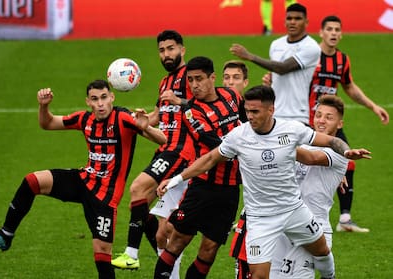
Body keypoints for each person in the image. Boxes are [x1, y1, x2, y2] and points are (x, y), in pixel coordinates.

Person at [159, 85, 371, 279]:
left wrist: (344, 153)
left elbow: (318, 152)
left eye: (255, 112)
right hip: (262, 219)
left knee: (321, 251)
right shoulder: (242, 136)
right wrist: (177, 178)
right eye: (247, 111)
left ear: (271, 110)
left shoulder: (296, 133)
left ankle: (329, 276)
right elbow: (211, 158)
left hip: (296, 211)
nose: (249, 117)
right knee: (260, 275)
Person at [0, 79, 167, 279]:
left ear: (112, 97)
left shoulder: (123, 118)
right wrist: (44, 105)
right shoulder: (84, 119)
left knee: (102, 255)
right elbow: (47, 123)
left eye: (103, 98)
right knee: (32, 181)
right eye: (94, 99)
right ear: (88, 102)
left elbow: (163, 140)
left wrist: (147, 128)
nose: (100, 103)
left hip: (105, 198)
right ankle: (5, 234)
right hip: (83, 180)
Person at [111, 30, 195, 277]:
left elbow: (206, 105)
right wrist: (142, 120)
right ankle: (166, 270)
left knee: (137, 188)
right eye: (162, 50)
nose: (166, 54)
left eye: (171, 49)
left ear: (182, 49)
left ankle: (131, 254)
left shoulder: (190, 77)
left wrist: (180, 101)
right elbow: (158, 116)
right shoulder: (164, 82)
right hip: (166, 149)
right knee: (151, 219)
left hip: (181, 151)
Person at [154, 56, 246, 279]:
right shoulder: (192, 113)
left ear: (212, 78)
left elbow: (249, 124)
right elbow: (217, 146)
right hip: (203, 187)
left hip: (231, 190)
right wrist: (250, 150)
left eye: (199, 79)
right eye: (190, 80)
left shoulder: (232, 96)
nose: (194, 85)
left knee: (209, 250)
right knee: (177, 241)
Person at [309, 15, 390, 233]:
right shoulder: (309, 55)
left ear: (341, 34)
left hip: (332, 125)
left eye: (337, 29)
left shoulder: (342, 60)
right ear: (321, 32)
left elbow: (349, 87)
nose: (334, 33)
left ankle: (345, 218)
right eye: (330, 29)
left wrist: (373, 106)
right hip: (308, 123)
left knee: (349, 162)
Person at [269, 94, 350, 278]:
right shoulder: (302, 143)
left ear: (340, 124)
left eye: (329, 117)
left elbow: (311, 158)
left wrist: (274, 141)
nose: (321, 120)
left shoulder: (337, 153)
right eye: (318, 115)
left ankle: (329, 273)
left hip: (313, 227)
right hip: (284, 223)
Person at [230, 3, 320, 124]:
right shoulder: (276, 44)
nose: (292, 22)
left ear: (306, 22)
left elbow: (283, 68)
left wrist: (250, 56)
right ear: (284, 21)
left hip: (296, 115)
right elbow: (276, 72)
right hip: (274, 113)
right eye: (289, 18)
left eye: (297, 19)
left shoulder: (311, 47)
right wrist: (271, 81)